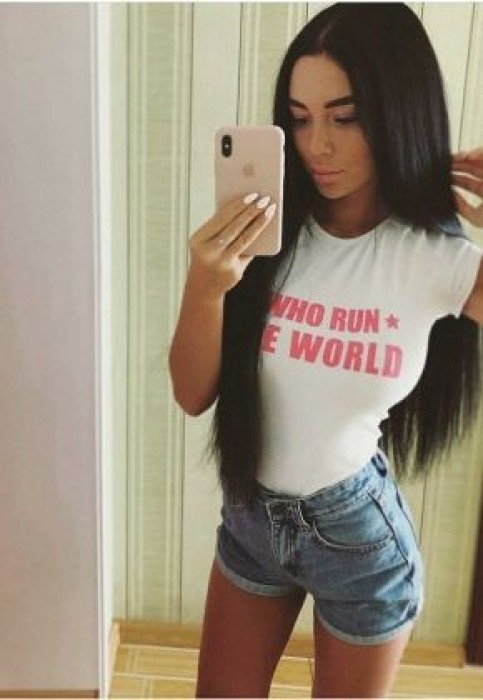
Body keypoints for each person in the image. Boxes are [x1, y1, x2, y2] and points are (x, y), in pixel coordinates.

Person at [169, 3, 483, 697]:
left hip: (358, 542)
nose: (318, 146)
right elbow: (192, 395)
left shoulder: (435, 257)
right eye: (300, 118)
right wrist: (205, 285)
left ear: (398, 113)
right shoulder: (261, 236)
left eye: (346, 118)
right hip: (251, 521)